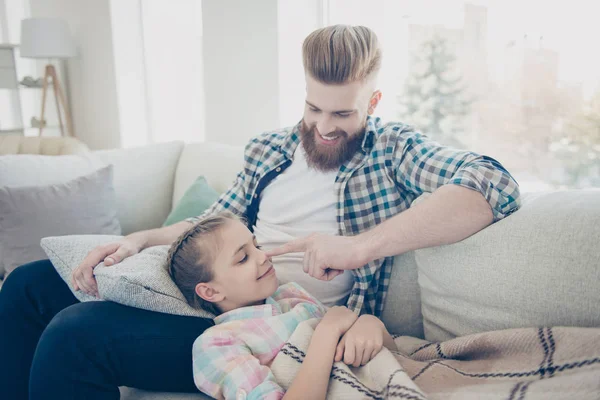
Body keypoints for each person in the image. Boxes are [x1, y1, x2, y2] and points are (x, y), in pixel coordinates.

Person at [0, 25, 520, 399]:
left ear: (374, 101)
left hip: (274, 329)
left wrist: (359, 247)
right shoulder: (269, 150)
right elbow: (208, 223)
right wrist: (136, 242)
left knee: (75, 334)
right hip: (215, 294)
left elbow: (493, 186)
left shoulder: (394, 151)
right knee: (27, 285)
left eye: (343, 113)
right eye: (314, 109)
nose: (323, 127)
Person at [167, 211, 397, 400]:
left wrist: (370, 324)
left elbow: (385, 350)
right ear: (211, 291)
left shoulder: (291, 295)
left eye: (256, 246)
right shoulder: (217, 344)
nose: (262, 256)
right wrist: (327, 331)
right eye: (242, 258)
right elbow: (333, 329)